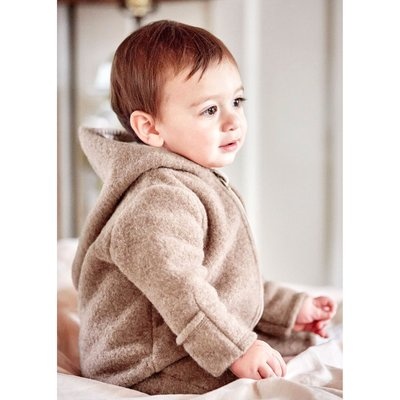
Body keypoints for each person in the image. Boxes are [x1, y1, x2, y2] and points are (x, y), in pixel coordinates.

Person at [72, 20, 336, 395]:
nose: (233, 121)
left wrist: (291, 309)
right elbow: (183, 290)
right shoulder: (158, 197)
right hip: (143, 366)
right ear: (150, 128)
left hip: (180, 338)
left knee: (300, 347)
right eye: (210, 110)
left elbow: (226, 279)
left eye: (237, 102)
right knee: (280, 375)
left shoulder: (191, 180)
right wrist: (237, 348)